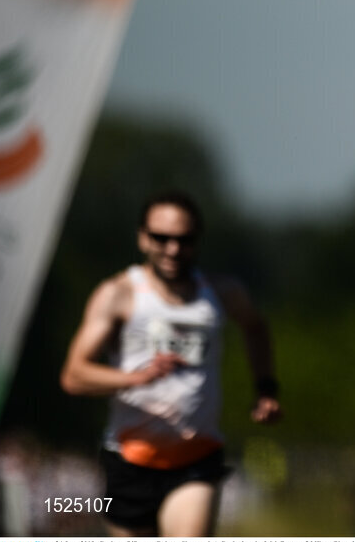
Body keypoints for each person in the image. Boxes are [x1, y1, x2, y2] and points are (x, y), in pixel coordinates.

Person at [60, 190, 280, 537]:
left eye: (184, 240)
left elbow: (256, 326)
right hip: (129, 459)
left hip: (196, 456)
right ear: (142, 238)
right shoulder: (118, 294)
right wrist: (135, 379)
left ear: (197, 241)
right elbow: (74, 375)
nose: (173, 250)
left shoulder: (222, 293)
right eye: (161, 239)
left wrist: (265, 387)